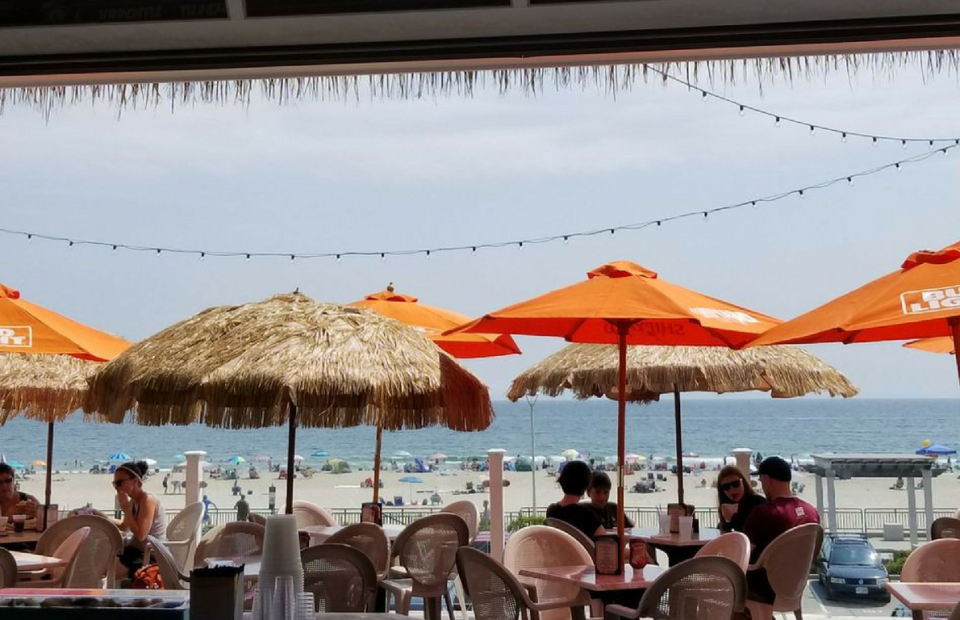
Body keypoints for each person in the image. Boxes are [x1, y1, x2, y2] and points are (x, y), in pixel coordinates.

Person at [743, 456, 820, 606]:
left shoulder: (764, 512)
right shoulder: (811, 512)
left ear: (767, 479)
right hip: (795, 588)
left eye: (760, 480)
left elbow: (744, 553)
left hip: (764, 591)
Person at [111, 461, 166, 581]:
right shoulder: (134, 502)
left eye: (119, 483)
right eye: (114, 483)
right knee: (101, 561)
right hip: (136, 551)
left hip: (150, 555)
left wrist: (126, 509)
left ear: (135, 481)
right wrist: (99, 516)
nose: (116, 487)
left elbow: (141, 535)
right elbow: (125, 526)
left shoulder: (147, 500)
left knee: (106, 571)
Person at [546, 460, 605, 539]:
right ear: (586, 485)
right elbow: (607, 543)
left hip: (557, 551)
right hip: (582, 551)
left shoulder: (551, 511)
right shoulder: (586, 515)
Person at [716, 465, 766, 533]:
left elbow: (752, 533)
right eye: (726, 487)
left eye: (736, 484)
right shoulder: (727, 507)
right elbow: (725, 534)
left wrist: (732, 518)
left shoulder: (757, 503)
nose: (732, 489)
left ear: (743, 482)